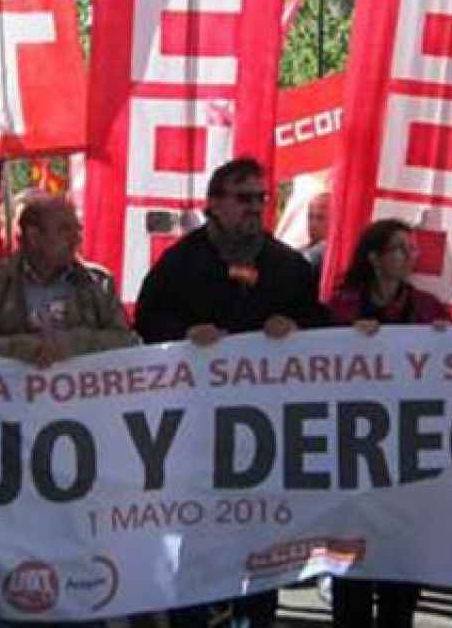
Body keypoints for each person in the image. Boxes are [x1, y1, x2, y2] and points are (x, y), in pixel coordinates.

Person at [135, 157, 323, 628]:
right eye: (244, 198)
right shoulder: (182, 260)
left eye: (263, 198)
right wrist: (183, 331)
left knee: (262, 533)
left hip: (264, 428)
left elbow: (320, 327)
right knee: (199, 533)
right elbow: (147, 317)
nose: (256, 207)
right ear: (213, 204)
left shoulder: (288, 265)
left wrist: (297, 325)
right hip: (197, 427)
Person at [324, 218, 452, 628]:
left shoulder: (429, 309)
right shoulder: (340, 308)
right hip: (354, 455)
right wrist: (344, 338)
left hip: (409, 454)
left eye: (412, 249)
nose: (410, 256)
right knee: (353, 567)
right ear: (375, 258)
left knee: (403, 569)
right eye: (400, 248)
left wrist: (445, 340)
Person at [0, 195, 138, 365]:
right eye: (65, 230)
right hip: (18, 394)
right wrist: (23, 348)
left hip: (80, 395)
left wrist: (72, 344)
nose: (76, 239)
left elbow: (126, 341)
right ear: (34, 236)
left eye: (78, 230)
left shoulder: (98, 282)